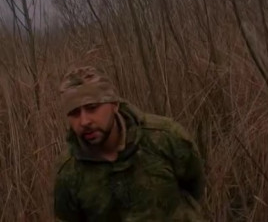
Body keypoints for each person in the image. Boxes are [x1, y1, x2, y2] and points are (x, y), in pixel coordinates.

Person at [53, 66, 206, 221]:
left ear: (114, 104)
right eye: (74, 113)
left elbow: (194, 184)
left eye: (92, 108)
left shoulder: (163, 137)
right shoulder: (69, 171)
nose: (84, 121)